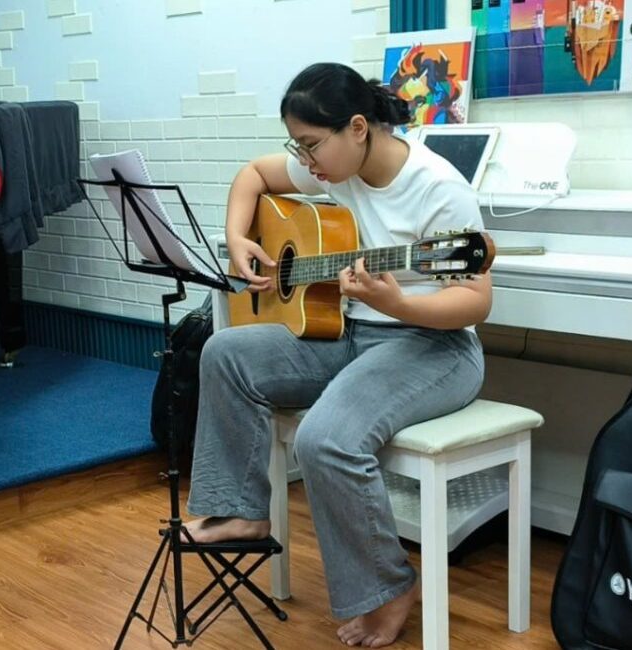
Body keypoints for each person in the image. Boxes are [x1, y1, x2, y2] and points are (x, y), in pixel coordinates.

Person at [180, 62, 493, 648]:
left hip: (434, 347)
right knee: (224, 352)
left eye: (310, 145)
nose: (305, 160)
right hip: (351, 335)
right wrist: (238, 237)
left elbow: (476, 302)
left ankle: (389, 586)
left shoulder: (438, 188)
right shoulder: (335, 166)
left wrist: (399, 304)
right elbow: (252, 175)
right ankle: (242, 510)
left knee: (324, 438)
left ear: (357, 128)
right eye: (297, 147)